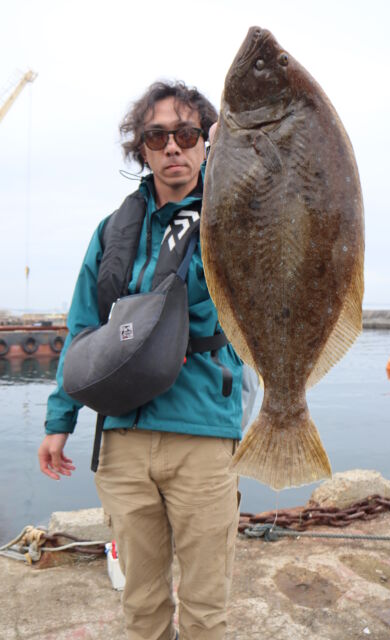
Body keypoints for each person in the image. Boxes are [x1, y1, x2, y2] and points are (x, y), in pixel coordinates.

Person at [38, 81, 244, 640]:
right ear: (142, 150)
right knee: (142, 604)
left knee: (206, 610)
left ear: (207, 142)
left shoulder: (235, 216)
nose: (173, 146)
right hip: (123, 440)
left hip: (202, 434)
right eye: (157, 136)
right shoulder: (112, 231)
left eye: (187, 134)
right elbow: (83, 329)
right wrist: (59, 421)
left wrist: (237, 150)